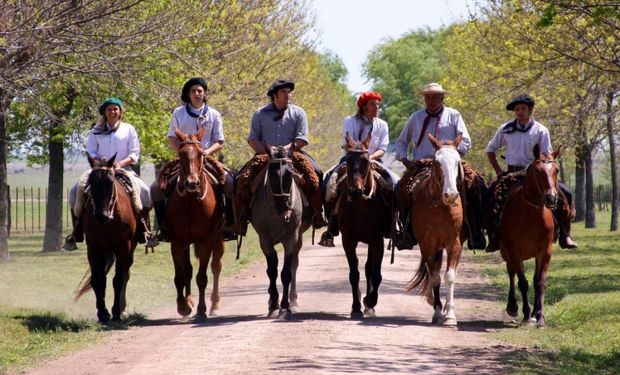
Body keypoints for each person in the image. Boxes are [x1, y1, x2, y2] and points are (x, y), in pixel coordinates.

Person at [394, 82, 486, 250]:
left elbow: (465, 140)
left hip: (449, 161)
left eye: (435, 97)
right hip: (422, 164)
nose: (431, 100)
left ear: (442, 98)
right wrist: (405, 160)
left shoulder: (453, 115)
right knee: (400, 189)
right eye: (428, 97)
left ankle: (476, 231)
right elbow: (401, 141)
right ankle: (406, 231)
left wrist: (452, 153)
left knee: (477, 185)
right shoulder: (416, 117)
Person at [231, 79, 327, 236]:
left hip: (293, 154)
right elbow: (253, 139)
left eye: (289, 92)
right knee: (241, 179)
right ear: (274, 94)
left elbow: (302, 139)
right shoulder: (260, 114)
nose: (288, 94)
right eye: (284, 92)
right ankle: (240, 221)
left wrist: (284, 149)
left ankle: (318, 214)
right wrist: (268, 152)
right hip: (265, 155)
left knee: (316, 173)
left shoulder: (298, 113)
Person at [485, 94, 577, 251]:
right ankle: (493, 237)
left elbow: (547, 155)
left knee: (566, 194)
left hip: (537, 174)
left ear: (530, 110)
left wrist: (545, 172)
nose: (519, 112)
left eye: (523, 109)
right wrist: (499, 171)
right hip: (512, 174)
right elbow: (490, 150)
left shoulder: (541, 130)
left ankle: (565, 235)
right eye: (517, 109)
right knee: (490, 196)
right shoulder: (505, 129)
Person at [150, 77, 236, 241]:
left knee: (230, 183)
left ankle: (229, 225)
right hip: (184, 159)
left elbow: (219, 141)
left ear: (204, 94)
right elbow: (171, 138)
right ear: (188, 95)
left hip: (206, 158)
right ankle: (163, 228)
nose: (197, 94)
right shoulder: (178, 113)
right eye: (193, 91)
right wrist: (182, 154)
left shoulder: (214, 114)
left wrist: (205, 152)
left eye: (200, 91)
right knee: (155, 188)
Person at [63, 97, 155, 250]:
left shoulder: (128, 129)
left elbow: (134, 153)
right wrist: (99, 162)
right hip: (100, 170)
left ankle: (144, 230)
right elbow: (90, 150)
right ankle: (76, 231)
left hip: (123, 169)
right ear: (105, 113)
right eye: (109, 109)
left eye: (115, 109)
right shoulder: (96, 131)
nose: (113, 112)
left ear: (120, 112)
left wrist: (120, 163)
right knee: (75, 190)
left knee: (144, 191)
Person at [318, 91, 399, 247]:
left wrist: (370, 158)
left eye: (378, 104)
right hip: (351, 158)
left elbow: (383, 148)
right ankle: (331, 223)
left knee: (394, 183)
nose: (377, 107)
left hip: (374, 159)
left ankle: (393, 224)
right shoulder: (350, 121)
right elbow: (346, 142)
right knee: (328, 181)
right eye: (373, 104)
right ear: (364, 107)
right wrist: (355, 153)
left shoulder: (382, 124)